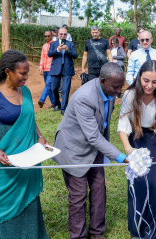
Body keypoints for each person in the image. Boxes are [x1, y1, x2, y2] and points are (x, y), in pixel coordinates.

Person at [0, 49, 49, 238]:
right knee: (3, 205)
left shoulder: (26, 91)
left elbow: (29, 117)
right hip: (2, 161)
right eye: (22, 73)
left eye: (27, 73)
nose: (26, 78)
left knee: (27, 199)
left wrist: (39, 136)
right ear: (8, 72)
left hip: (25, 161)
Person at [53, 63, 129, 239]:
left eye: (121, 87)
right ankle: (78, 236)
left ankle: (96, 233)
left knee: (98, 191)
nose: (118, 91)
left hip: (95, 148)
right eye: (115, 87)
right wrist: (122, 158)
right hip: (74, 150)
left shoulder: (109, 91)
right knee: (78, 197)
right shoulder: (84, 97)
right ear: (102, 81)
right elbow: (93, 137)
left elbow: (103, 126)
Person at [118, 60, 156, 239]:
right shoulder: (130, 95)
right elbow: (123, 123)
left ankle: (153, 231)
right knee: (138, 184)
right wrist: (128, 148)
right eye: (145, 80)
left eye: (154, 82)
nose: (149, 85)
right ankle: (136, 229)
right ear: (139, 77)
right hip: (136, 140)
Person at [48, 27, 78, 115]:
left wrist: (68, 50)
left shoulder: (71, 44)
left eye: (65, 34)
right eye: (61, 34)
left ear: (67, 35)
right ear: (58, 34)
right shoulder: (53, 44)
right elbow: (49, 54)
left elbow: (75, 55)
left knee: (66, 89)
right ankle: (57, 104)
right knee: (53, 88)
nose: (63, 35)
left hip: (67, 69)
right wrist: (58, 50)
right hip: (55, 69)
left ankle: (64, 108)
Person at [38, 30, 55, 109]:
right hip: (45, 69)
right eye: (45, 36)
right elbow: (42, 57)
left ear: (51, 36)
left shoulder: (54, 44)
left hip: (52, 68)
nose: (47, 37)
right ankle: (53, 104)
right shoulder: (44, 45)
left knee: (48, 85)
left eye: (48, 36)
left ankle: (41, 100)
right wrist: (41, 67)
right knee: (49, 87)